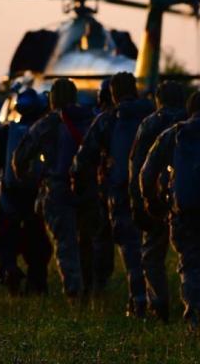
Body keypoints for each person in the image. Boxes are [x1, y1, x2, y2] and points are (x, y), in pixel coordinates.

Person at [142, 90, 200, 331]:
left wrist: (151, 200)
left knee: (191, 266)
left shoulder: (174, 133)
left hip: (185, 211)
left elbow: (147, 172)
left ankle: (196, 319)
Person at [72, 72, 154, 317]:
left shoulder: (107, 120)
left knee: (130, 249)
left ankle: (138, 300)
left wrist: (79, 183)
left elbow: (83, 158)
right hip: (153, 193)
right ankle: (158, 299)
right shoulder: (153, 115)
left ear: (113, 94)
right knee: (153, 248)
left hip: (120, 192)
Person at [12, 78, 97, 300]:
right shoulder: (92, 120)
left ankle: (74, 294)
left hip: (58, 191)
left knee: (66, 246)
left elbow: (20, 157)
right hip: (90, 190)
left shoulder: (47, 124)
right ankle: (93, 290)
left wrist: (28, 178)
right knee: (89, 243)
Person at [0, 89, 53, 295]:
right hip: (36, 198)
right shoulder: (46, 133)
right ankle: (37, 284)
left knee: (6, 240)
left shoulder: (3, 134)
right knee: (38, 244)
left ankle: (9, 270)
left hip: (9, 197)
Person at [128, 80, 187, 322]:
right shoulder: (190, 120)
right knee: (191, 257)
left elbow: (137, 165)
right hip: (187, 197)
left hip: (156, 199)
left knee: (152, 256)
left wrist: (139, 201)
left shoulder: (150, 124)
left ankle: (159, 304)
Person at [91, 78, 116, 293]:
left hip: (105, 188)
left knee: (102, 238)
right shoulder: (140, 120)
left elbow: (86, 153)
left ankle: (100, 283)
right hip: (132, 189)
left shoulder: (102, 121)